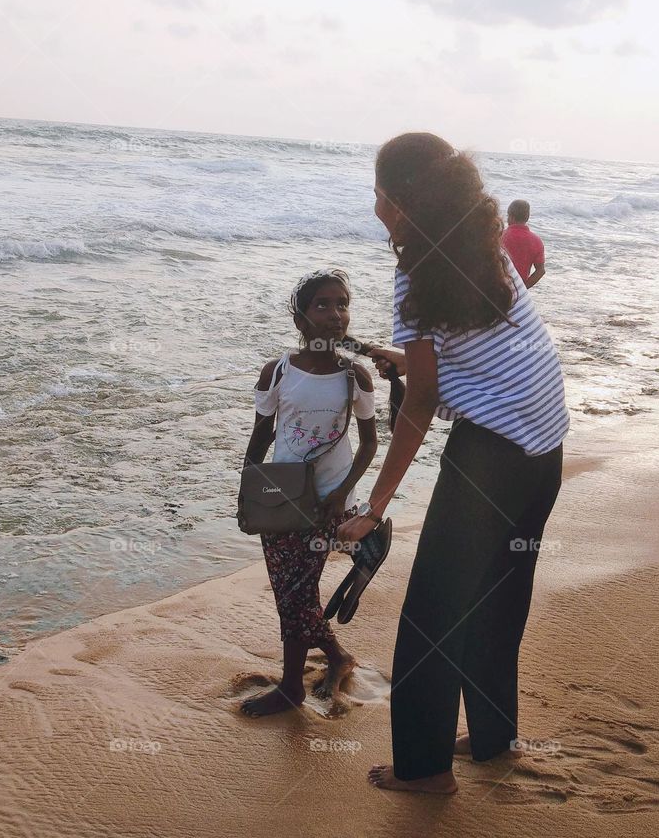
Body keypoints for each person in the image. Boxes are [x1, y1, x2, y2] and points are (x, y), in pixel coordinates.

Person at [337, 133, 569, 794]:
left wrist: (374, 503)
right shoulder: (480, 245)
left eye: (378, 192)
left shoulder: (413, 277)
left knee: (432, 617)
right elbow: (469, 349)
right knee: (498, 601)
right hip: (544, 444)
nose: (373, 202)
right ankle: (493, 740)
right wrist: (406, 356)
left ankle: (424, 770)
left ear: (401, 204)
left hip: (493, 453)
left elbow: (424, 402)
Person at [241, 268, 377, 716]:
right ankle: (336, 656)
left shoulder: (354, 376)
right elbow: (261, 437)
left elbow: (371, 443)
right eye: (323, 304)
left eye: (342, 304)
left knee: (297, 591)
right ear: (300, 320)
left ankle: (292, 688)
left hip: (327, 502)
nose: (336, 313)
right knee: (291, 593)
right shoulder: (278, 372)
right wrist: (248, 492)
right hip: (282, 495)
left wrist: (342, 493)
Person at [501, 199, 546, 288]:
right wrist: (523, 288)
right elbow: (540, 271)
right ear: (527, 217)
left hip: (496, 288)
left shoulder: (499, 236)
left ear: (512, 217)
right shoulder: (536, 241)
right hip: (518, 291)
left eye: (508, 216)